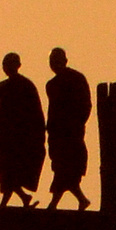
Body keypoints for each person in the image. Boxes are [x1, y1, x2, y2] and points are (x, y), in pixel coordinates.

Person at [0, 52, 46, 206]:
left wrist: (36, 134)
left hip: (19, 135)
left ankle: (8, 202)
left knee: (13, 167)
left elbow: (36, 112)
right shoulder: (0, 86)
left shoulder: (26, 86)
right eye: (5, 64)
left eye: (11, 64)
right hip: (2, 134)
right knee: (3, 166)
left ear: (18, 66)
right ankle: (23, 197)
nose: (8, 67)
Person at [44, 48, 92, 210]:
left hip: (71, 132)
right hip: (57, 133)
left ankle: (54, 203)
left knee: (67, 167)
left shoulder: (76, 79)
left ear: (65, 61)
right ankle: (79, 199)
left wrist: (77, 123)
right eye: (51, 61)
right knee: (60, 166)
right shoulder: (51, 85)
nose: (53, 64)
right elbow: (53, 110)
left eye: (56, 60)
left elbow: (85, 105)